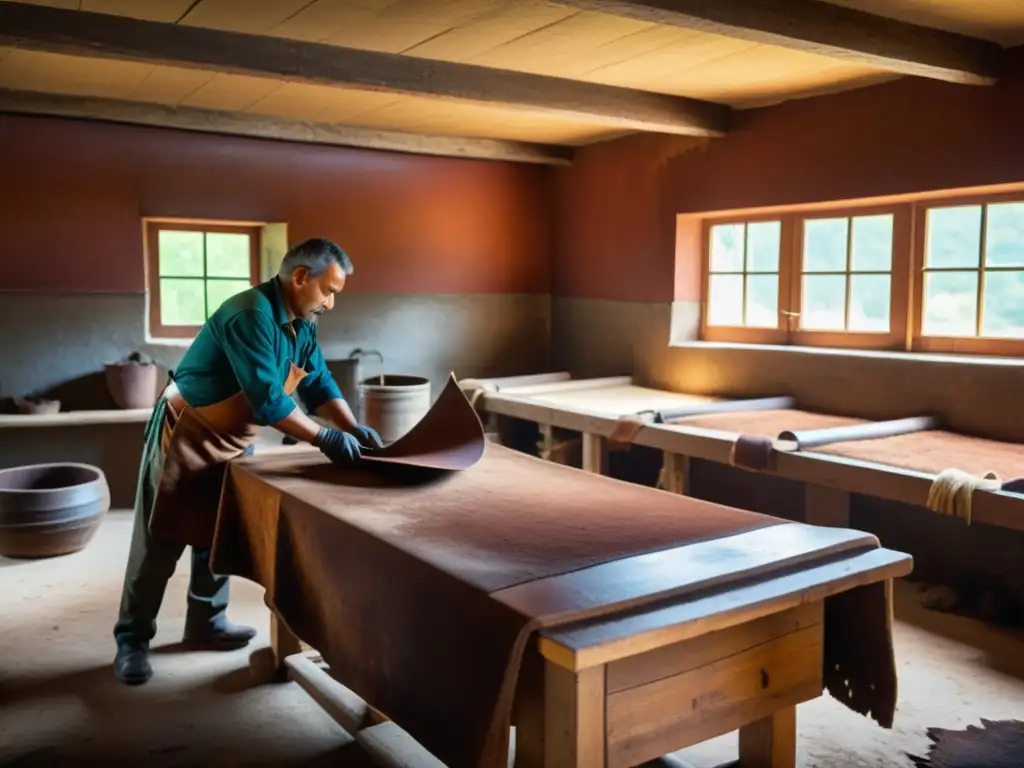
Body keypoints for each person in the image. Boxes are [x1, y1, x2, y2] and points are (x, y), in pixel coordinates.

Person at [112, 237, 382, 685]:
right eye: (328, 290)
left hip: (235, 438)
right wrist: (326, 439)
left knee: (217, 537)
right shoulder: (249, 314)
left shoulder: (302, 322)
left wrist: (353, 427)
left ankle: (206, 623)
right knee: (159, 541)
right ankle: (132, 639)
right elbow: (270, 401)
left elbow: (318, 383)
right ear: (300, 277)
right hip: (187, 432)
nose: (331, 303)